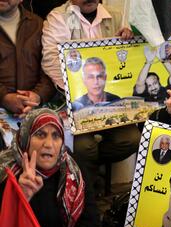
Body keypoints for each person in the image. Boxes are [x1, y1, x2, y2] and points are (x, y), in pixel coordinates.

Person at [42, 0, 141, 189]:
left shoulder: (116, 17)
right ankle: (85, 192)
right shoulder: (58, 18)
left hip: (110, 104)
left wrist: (130, 42)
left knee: (130, 139)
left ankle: (85, 169)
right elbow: (50, 61)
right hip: (72, 103)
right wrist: (81, 89)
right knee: (83, 147)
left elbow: (128, 63)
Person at [0, 108, 99, 227]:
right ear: (25, 138)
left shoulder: (74, 169)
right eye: (40, 134)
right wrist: (19, 197)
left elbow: (90, 221)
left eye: (56, 136)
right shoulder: (5, 173)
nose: (49, 144)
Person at [42, 0, 134, 90]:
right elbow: (52, 60)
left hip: (115, 89)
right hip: (75, 93)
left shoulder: (116, 15)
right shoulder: (60, 18)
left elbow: (131, 60)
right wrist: (81, 90)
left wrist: (127, 43)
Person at [0, 0, 55, 117]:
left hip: (36, 109)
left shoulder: (39, 25)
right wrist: (4, 97)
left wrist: (37, 96)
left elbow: (51, 69)